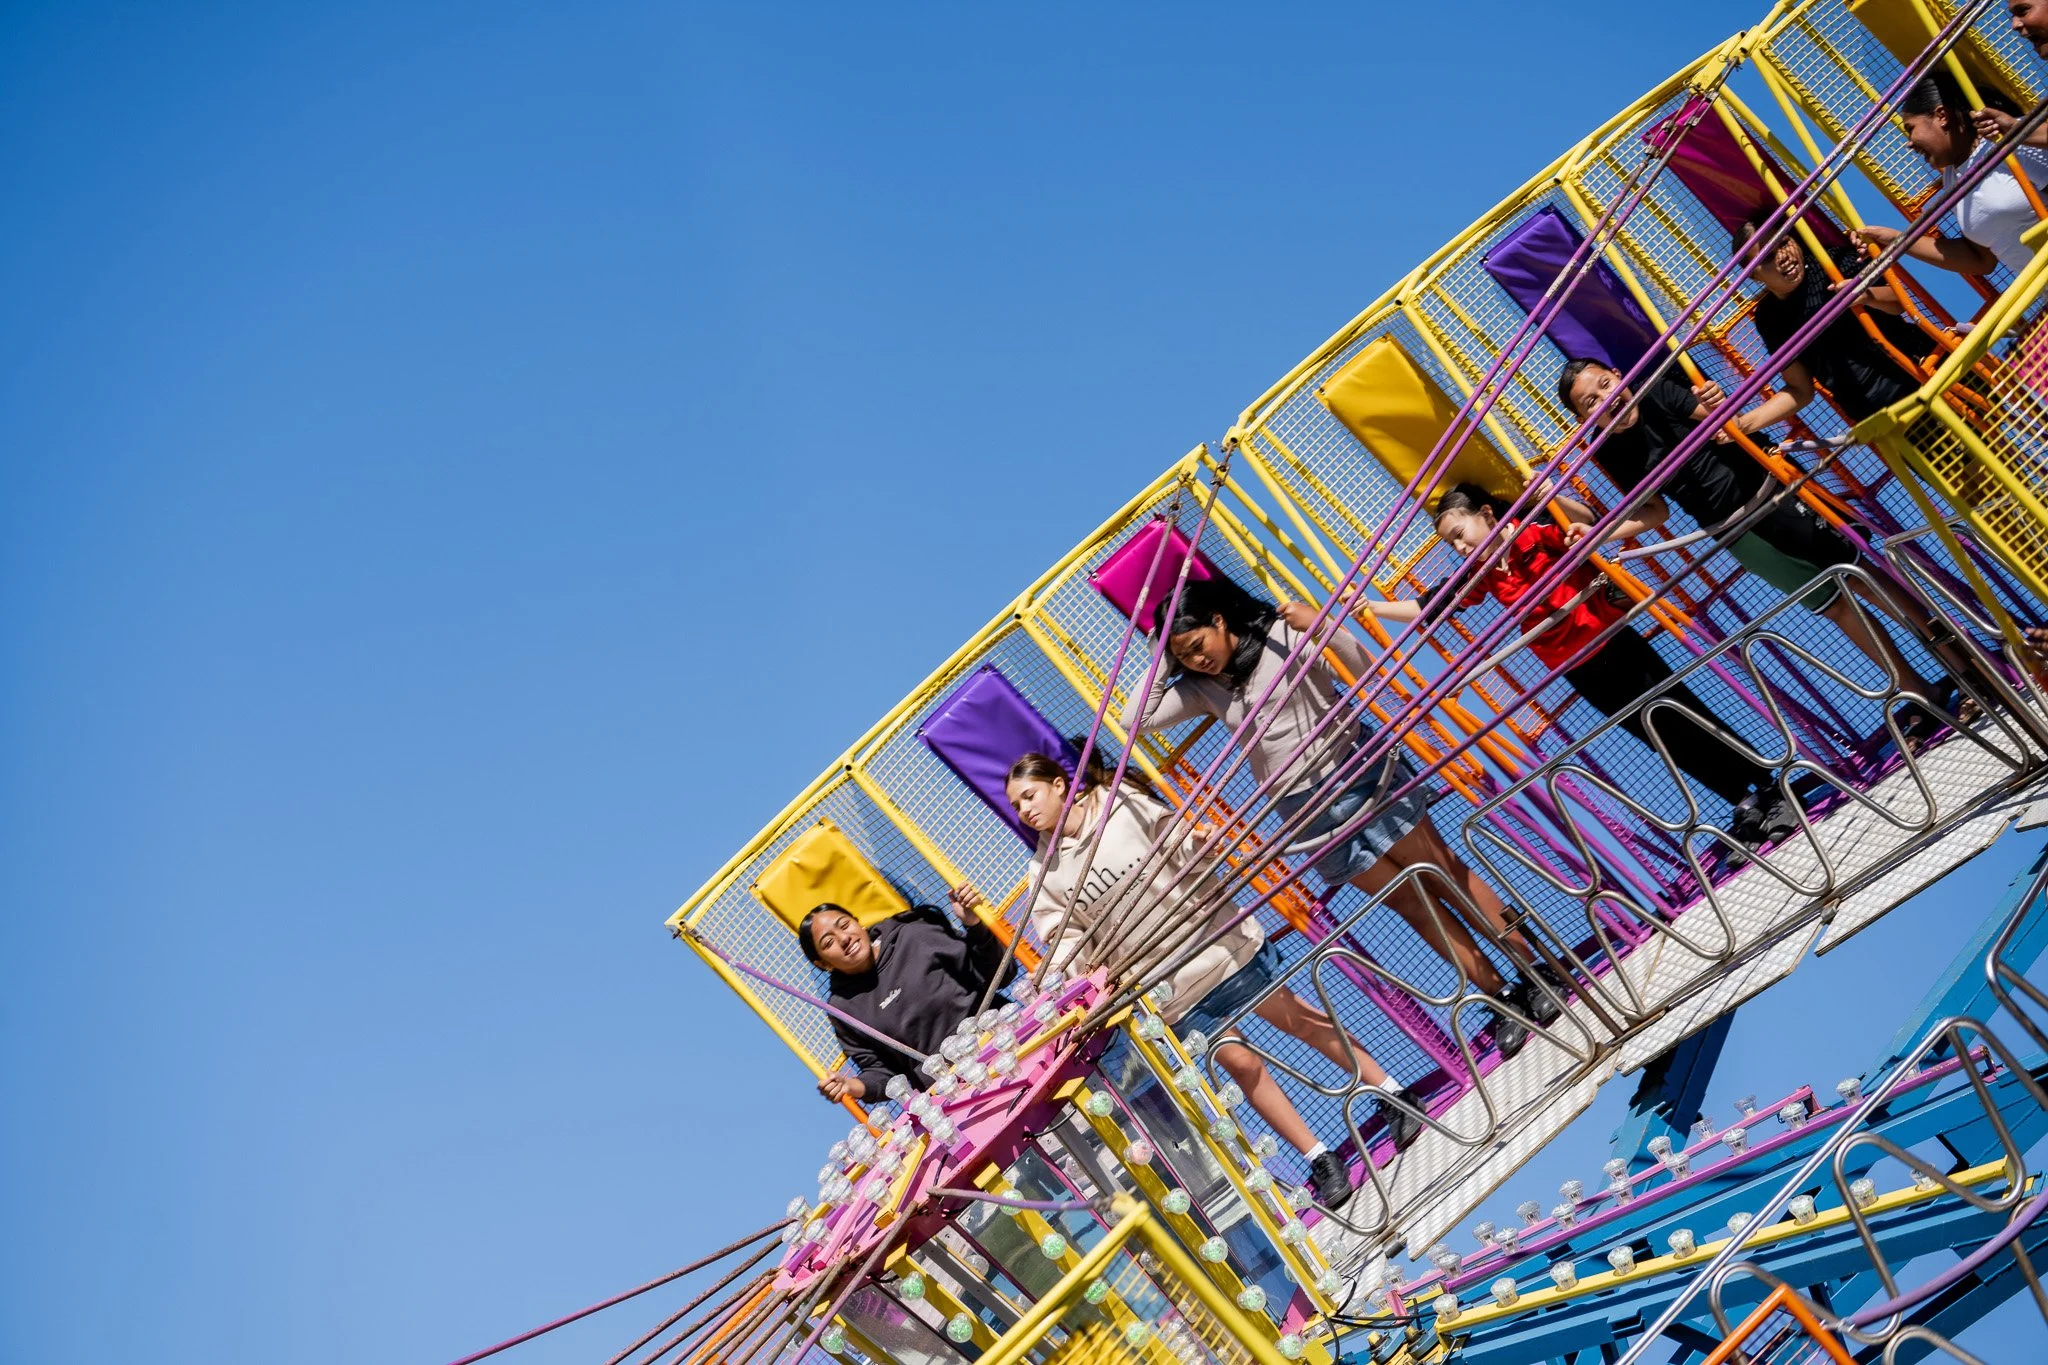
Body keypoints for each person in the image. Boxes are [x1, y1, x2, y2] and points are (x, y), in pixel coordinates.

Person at [1123, 574, 1568, 1061]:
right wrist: (1162, 654)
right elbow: (1134, 720)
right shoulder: (1203, 687)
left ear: (1220, 620)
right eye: (1184, 656)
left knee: (1441, 872)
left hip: (1357, 770)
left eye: (1197, 645)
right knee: (1411, 903)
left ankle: (1536, 969)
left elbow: (1362, 667)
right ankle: (1501, 995)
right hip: (1305, 811)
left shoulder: (1282, 635)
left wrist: (1322, 627)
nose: (1196, 659)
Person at [999, 749, 1425, 1205]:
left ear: (1059, 785)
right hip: (1167, 985)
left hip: (1217, 945)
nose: (1025, 810)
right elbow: (1064, 937)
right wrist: (1071, 966)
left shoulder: (1119, 805)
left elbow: (1178, 842)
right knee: (1242, 1066)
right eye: (1017, 805)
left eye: (1030, 795)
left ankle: (1393, 1094)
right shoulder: (1044, 871)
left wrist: (1199, 846)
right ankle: (1320, 1158)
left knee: (1299, 1019)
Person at [1358, 484, 1796, 847]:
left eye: (1459, 532)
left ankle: (1769, 784)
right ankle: (1743, 801)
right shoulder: (1484, 573)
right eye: (1451, 543)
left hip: (1613, 641)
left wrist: (1556, 502)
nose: (1459, 546)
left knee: (1682, 711)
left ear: (1486, 513)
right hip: (1577, 668)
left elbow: (1585, 525)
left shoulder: (1534, 530)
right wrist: (1370, 608)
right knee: (1657, 735)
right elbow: (1430, 606)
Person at [1557, 357, 1963, 728]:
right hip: (1735, 533)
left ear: (1620, 375)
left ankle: (1964, 665)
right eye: (1591, 402)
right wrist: (1599, 534)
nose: (1607, 399)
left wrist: (1715, 403)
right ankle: (1919, 692)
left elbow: (1725, 422)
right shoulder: (1609, 450)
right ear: (1584, 418)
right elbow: (1655, 512)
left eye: (1606, 384)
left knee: (1864, 578)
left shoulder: (1657, 389)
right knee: (1836, 606)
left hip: (1774, 494)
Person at [800, 887, 1015, 1105]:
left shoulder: (913, 934)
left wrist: (974, 924)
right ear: (823, 964)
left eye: (845, 925)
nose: (844, 938)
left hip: (1001, 1041)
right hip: (951, 1090)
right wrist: (851, 1086)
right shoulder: (842, 1009)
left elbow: (1001, 975)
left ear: (859, 923)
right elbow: (884, 1073)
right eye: (829, 943)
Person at [1730, 212, 1930, 425]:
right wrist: (1742, 425)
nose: (1783, 256)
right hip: (1879, 413)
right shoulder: (1769, 317)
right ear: (1754, 275)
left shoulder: (1830, 262)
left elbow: (1899, 302)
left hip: (1922, 370)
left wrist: (1865, 295)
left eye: (1784, 243)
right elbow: (1800, 390)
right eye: (1768, 258)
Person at [1852, 72, 2048, 278]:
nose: (1909, 143)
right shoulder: (1952, 181)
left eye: (1911, 128)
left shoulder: (2009, 138)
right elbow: (1981, 260)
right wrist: (1894, 240)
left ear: (1942, 116)